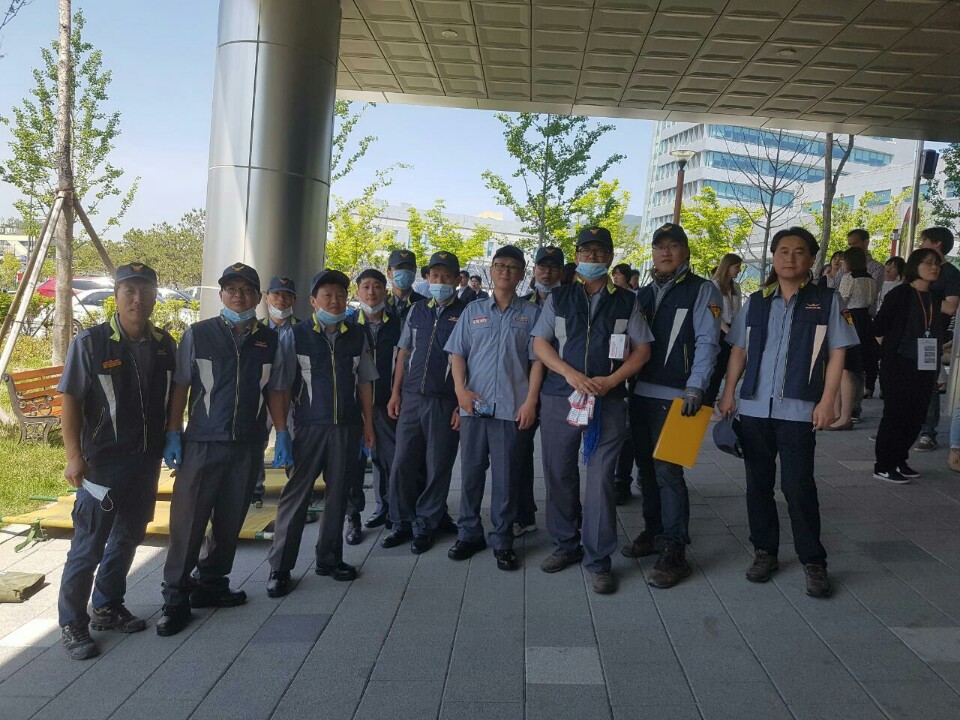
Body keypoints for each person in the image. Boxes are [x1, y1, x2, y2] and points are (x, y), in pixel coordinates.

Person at [718, 227, 858, 599]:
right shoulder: (757, 301)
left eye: (798, 252)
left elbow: (838, 354)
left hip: (799, 409)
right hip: (754, 408)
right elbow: (739, 351)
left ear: (811, 259)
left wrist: (828, 402)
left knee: (798, 486)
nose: (790, 258)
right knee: (758, 485)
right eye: (783, 251)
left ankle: (814, 560)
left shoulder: (826, 300)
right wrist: (728, 393)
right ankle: (765, 552)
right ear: (774, 257)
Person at [158, 262, 293, 636]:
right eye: (231, 289)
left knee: (231, 519)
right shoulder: (199, 334)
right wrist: (173, 432)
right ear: (221, 294)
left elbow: (275, 389)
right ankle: (175, 598)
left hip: (247, 444)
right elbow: (181, 385)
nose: (239, 296)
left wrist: (282, 432)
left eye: (246, 290)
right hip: (203, 442)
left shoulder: (270, 341)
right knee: (188, 522)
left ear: (257, 297)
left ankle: (212, 583)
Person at [56, 263, 176, 660]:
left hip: (145, 460)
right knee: (89, 543)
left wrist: (172, 436)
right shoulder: (90, 343)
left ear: (155, 296)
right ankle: (72, 621)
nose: (138, 299)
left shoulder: (164, 343)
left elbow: (173, 394)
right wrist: (74, 456)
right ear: (117, 296)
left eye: (145, 291)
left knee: (129, 535)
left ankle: (107, 605)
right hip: (102, 463)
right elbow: (70, 400)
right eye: (129, 291)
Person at [531, 226, 653, 595]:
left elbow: (642, 350)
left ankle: (598, 559)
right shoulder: (559, 297)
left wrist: (612, 381)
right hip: (560, 397)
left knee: (600, 479)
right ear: (577, 257)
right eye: (586, 251)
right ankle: (565, 544)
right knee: (558, 472)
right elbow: (540, 343)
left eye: (600, 252)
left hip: (608, 401)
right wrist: (569, 374)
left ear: (610, 257)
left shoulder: (627, 301)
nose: (593, 257)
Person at [266, 270, 377, 596]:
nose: (335, 301)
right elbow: (280, 387)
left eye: (340, 295)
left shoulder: (357, 335)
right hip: (308, 429)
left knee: (338, 494)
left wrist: (368, 424)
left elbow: (365, 382)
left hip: (347, 428)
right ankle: (280, 567)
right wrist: (282, 432)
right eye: (327, 295)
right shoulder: (295, 335)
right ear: (313, 301)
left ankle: (329, 558)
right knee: (296, 497)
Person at [623, 223, 722, 589]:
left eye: (673, 245)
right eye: (659, 246)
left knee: (669, 473)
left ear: (686, 252)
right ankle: (652, 531)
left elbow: (708, 342)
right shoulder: (642, 294)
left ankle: (675, 549)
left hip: (681, 396)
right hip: (641, 394)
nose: (665, 252)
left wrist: (697, 386)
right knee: (645, 470)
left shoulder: (703, 289)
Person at [445, 245, 544, 570]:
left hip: (512, 409)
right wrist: (460, 392)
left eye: (512, 267)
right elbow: (457, 354)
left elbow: (537, 361)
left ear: (521, 274)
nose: (505, 271)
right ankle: (469, 534)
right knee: (471, 475)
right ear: (491, 270)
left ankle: (502, 539)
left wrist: (531, 401)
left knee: (506, 478)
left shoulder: (531, 314)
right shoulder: (473, 311)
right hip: (474, 407)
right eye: (499, 265)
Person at [381, 251, 468, 554]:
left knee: (437, 465)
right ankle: (401, 521)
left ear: (457, 280)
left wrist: (461, 404)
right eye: (435, 275)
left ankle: (427, 523)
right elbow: (403, 353)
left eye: (446, 276)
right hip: (411, 398)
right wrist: (396, 393)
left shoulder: (467, 313)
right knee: (402, 463)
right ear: (427, 278)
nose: (439, 280)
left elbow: (470, 360)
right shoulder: (417, 311)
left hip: (445, 401)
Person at [872, 249, 943, 483]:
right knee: (896, 415)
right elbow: (878, 327)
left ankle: (899, 460)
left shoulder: (935, 295)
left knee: (916, 415)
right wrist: (889, 351)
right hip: (899, 363)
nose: (934, 267)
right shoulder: (900, 294)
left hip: (926, 363)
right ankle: (883, 465)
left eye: (937, 263)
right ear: (915, 266)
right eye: (928, 263)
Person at [344, 268, 401, 541]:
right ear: (357, 292)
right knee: (354, 465)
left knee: (390, 460)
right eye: (365, 286)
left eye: (377, 286)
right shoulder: (347, 325)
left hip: (387, 404)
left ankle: (389, 509)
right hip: (354, 407)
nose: (371, 292)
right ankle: (353, 518)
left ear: (385, 291)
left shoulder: (398, 323)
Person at [515, 245, 564, 537]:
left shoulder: (572, 302)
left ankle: (566, 518)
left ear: (562, 272)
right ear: (534, 271)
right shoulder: (522, 305)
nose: (547, 273)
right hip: (525, 391)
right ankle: (523, 514)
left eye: (553, 267)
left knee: (559, 459)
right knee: (519, 452)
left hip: (560, 390)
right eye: (542, 267)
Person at [253, 275, 302, 509]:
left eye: (287, 295)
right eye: (276, 294)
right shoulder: (256, 329)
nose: (281, 299)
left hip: (293, 400)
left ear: (294, 300)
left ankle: (296, 493)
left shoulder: (303, 330)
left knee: (294, 446)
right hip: (261, 400)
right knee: (256, 444)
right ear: (266, 298)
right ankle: (254, 490)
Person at [915, 227, 960, 451]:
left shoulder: (950, 273)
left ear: (937, 244)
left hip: (931, 336)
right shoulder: (917, 270)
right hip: (910, 333)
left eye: (923, 240)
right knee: (906, 379)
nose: (920, 245)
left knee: (928, 382)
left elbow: (951, 307)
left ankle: (927, 431)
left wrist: (922, 299)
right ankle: (903, 425)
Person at [829, 247, 877, 430]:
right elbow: (873, 303)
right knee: (857, 368)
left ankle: (842, 414)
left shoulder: (849, 278)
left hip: (850, 318)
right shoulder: (870, 279)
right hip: (865, 321)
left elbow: (841, 300)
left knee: (845, 369)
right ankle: (849, 410)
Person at [705, 253, 743, 406]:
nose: (739, 270)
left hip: (733, 329)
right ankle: (707, 402)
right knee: (715, 369)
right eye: (737, 267)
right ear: (727, 267)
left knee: (726, 368)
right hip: (718, 330)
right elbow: (715, 313)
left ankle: (718, 400)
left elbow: (738, 312)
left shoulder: (736, 287)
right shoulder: (712, 286)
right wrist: (728, 333)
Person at [386, 249, 427, 320]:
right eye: (399, 267)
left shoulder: (424, 305)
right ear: (388, 273)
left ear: (415, 272)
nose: (404, 272)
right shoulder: (381, 304)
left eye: (409, 268)